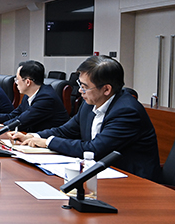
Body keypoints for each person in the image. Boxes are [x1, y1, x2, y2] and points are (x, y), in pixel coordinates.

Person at [13, 56, 162, 182]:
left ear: (106, 89)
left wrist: (47, 142)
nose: (80, 91)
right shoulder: (89, 104)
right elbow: (66, 130)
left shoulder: (127, 112)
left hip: (134, 182)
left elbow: (94, 150)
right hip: (101, 175)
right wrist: (33, 136)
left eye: (84, 86)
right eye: (80, 84)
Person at [0, 60, 69, 132]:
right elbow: (12, 116)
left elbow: (21, 121)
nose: (16, 82)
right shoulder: (28, 95)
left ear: (28, 82)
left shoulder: (46, 98)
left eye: (17, 79)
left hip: (51, 145)